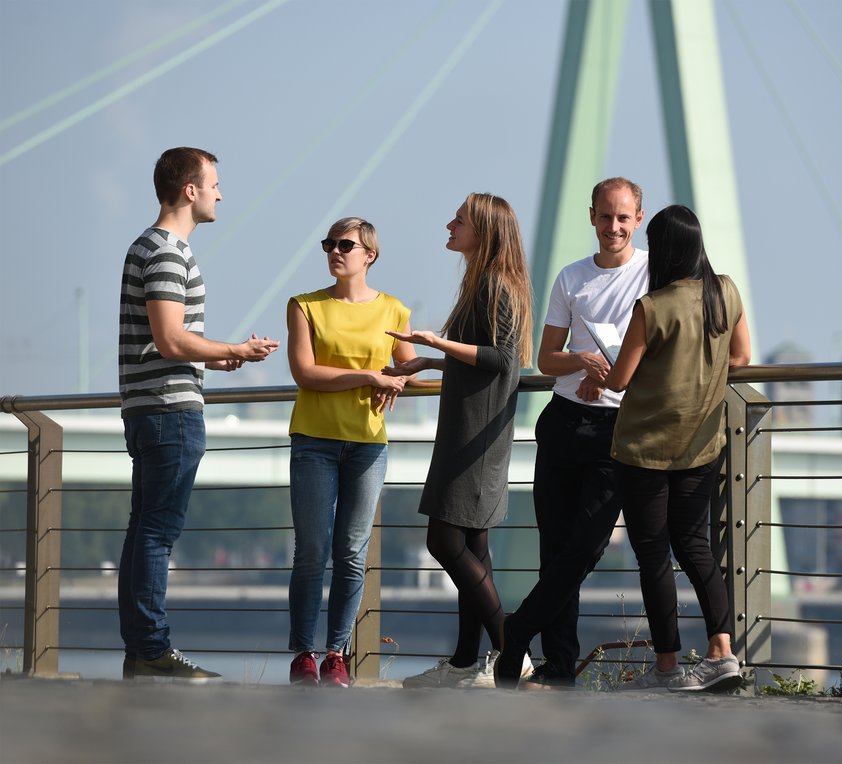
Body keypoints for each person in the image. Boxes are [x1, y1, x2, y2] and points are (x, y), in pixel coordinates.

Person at [118, 147, 280, 681]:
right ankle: (152, 651)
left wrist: (221, 354)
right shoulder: (167, 252)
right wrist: (232, 346)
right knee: (157, 533)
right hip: (169, 411)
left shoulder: (148, 246)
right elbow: (169, 340)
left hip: (151, 407)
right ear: (190, 190)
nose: (220, 193)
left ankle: (141, 650)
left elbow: (174, 340)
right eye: (213, 184)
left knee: (144, 529)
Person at [493, 178, 648, 690]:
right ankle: (559, 669)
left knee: (585, 547)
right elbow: (546, 358)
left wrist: (614, 372)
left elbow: (660, 350)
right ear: (591, 217)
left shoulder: (653, 276)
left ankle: (516, 631)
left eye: (623, 217)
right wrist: (581, 360)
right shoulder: (571, 278)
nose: (614, 227)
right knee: (556, 548)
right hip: (563, 422)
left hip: (619, 429)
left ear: (639, 219)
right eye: (605, 217)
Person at [387, 193, 535, 689]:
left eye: (461, 220)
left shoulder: (494, 283)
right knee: (474, 545)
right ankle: (464, 664)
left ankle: (510, 648)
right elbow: (481, 356)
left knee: (444, 540)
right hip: (469, 426)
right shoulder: (485, 280)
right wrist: (430, 363)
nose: (449, 224)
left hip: (476, 432)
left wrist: (436, 342)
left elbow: (500, 360)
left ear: (485, 232)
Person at [604, 204, 751, 692]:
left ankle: (666, 669)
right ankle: (721, 653)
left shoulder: (653, 307)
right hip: (701, 446)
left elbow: (620, 379)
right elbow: (741, 356)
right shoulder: (725, 292)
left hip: (644, 449)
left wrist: (598, 368)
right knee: (696, 547)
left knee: (654, 557)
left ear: (662, 251)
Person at [286, 217, 417, 687]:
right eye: (329, 244)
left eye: (346, 244)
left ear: (370, 255)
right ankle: (303, 653)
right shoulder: (304, 306)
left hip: (367, 445)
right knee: (312, 550)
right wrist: (369, 376)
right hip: (314, 442)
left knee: (350, 553)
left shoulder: (394, 311)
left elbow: (409, 370)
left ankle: (336, 654)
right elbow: (305, 373)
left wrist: (413, 375)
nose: (335, 251)